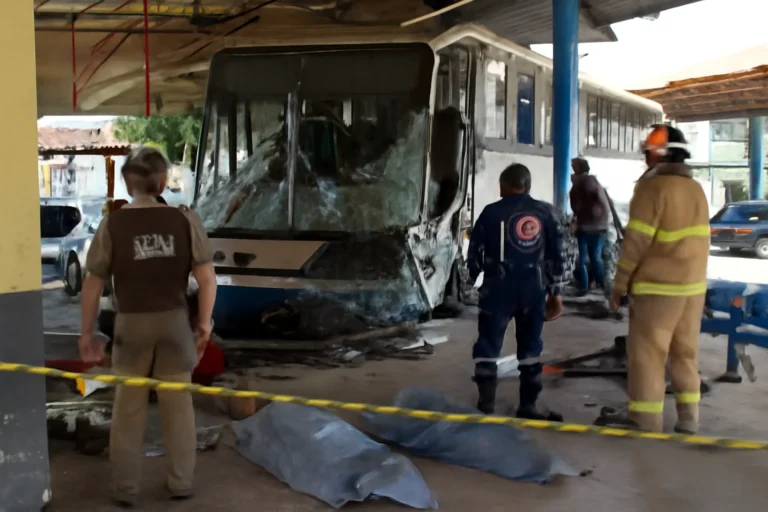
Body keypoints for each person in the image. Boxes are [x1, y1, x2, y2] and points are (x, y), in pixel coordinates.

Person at [77, 146, 217, 507]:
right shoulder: (185, 220)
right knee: (178, 408)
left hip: (131, 326)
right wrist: (203, 325)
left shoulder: (113, 223)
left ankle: (125, 489)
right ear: (160, 181)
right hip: (173, 324)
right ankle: (181, 483)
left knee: (128, 410)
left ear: (128, 182)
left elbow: (92, 282)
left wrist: (87, 333)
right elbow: (207, 280)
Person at [607, 124, 709, 434]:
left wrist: (620, 285)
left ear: (658, 154)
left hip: (657, 289)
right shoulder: (696, 189)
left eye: (649, 152)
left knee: (648, 355)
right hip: (692, 288)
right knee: (685, 353)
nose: (646, 158)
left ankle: (645, 420)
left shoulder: (652, 189)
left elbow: (636, 242)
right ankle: (689, 419)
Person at [467, 163, 568, 420]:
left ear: (502, 185)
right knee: (531, 347)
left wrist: (473, 277)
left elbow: (474, 252)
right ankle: (528, 406)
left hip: (497, 289)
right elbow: (558, 255)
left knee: (488, 345)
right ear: (528, 185)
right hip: (533, 290)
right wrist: (555, 292)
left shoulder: (491, 213)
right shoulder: (545, 213)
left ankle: (486, 405)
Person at [569, 157, 611, 295]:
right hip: (601, 228)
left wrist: (577, 220)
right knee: (595, 257)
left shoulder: (581, 183)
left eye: (573, 167)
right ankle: (603, 285)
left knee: (583, 259)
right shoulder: (595, 182)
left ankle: (584, 287)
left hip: (586, 227)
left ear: (578, 169)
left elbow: (578, 207)